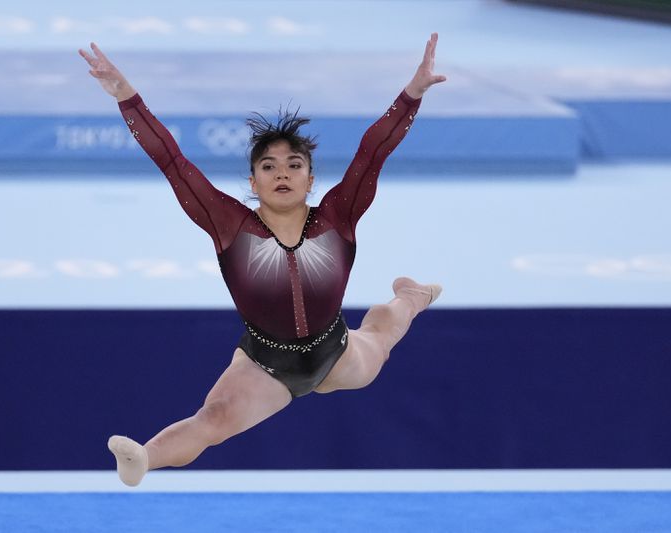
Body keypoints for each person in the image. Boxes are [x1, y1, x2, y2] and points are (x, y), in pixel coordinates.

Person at [78, 34, 446, 487]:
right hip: (265, 366)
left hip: (335, 352)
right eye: (269, 166)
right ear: (252, 181)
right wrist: (126, 97)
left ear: (312, 178)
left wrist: (412, 94)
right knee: (211, 419)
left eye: (294, 165)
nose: (283, 174)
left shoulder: (338, 216)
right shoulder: (230, 225)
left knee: (384, 328)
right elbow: (172, 162)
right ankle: (143, 458)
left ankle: (412, 296)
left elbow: (373, 152)